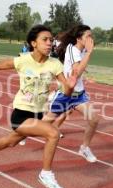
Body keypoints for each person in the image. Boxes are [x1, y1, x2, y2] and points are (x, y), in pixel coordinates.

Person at [0, 25, 77, 188]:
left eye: (51, 40)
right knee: (53, 133)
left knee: (12, 141)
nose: (49, 43)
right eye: (44, 40)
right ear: (34, 43)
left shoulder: (55, 64)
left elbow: (67, 90)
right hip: (21, 114)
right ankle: (45, 174)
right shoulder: (23, 60)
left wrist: (70, 86)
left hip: (37, 114)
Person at [44, 24, 100, 163]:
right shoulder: (73, 49)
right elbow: (77, 71)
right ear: (79, 38)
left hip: (78, 94)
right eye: (88, 36)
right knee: (46, 122)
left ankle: (84, 148)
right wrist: (89, 52)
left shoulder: (81, 51)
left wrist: (87, 76)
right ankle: (23, 132)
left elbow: (79, 71)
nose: (90, 39)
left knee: (94, 119)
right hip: (66, 93)